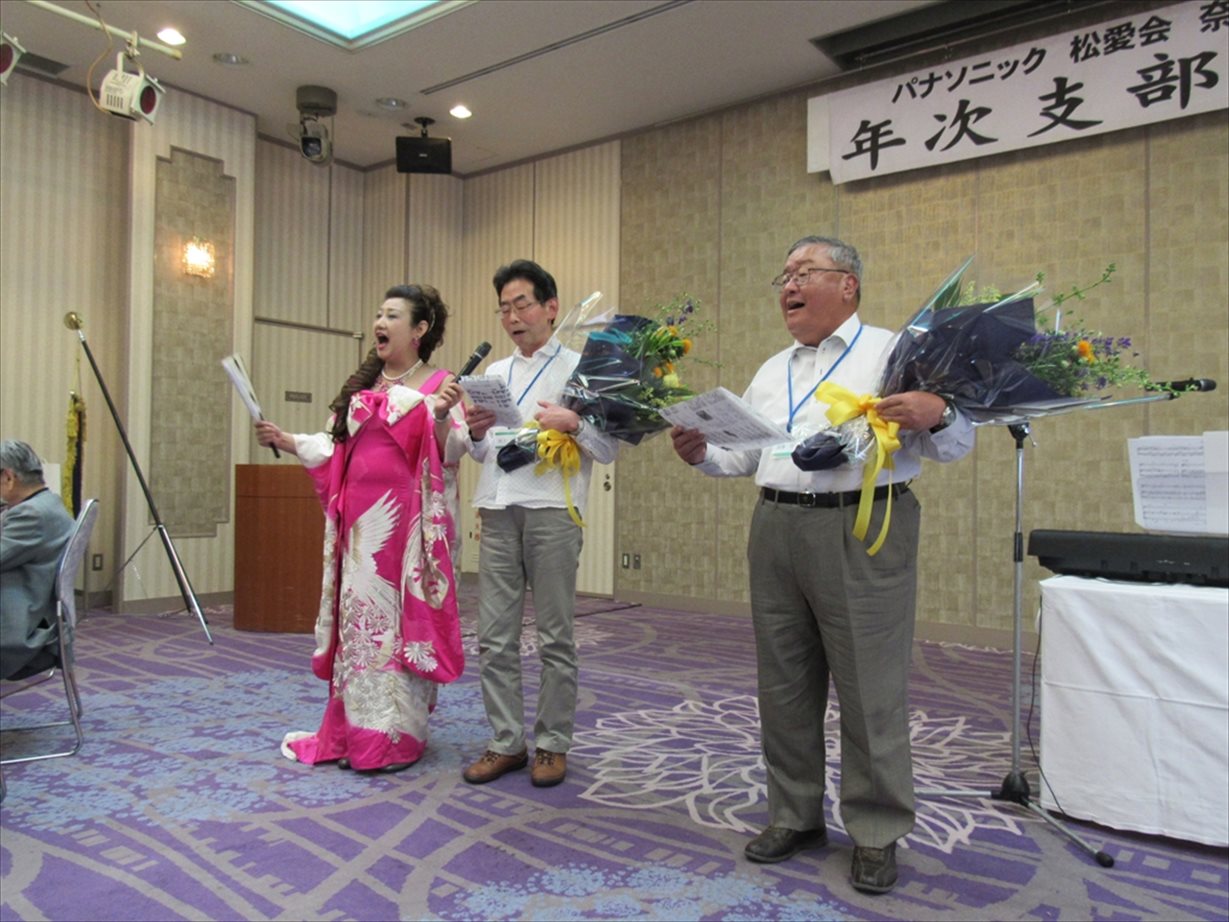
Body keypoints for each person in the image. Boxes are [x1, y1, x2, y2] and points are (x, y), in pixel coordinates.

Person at [670, 237, 975, 894]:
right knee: (782, 683)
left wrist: (941, 412)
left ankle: (876, 830)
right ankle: (794, 815)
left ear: (847, 285)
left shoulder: (894, 352)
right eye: (783, 276)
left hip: (863, 526)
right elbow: (744, 457)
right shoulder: (771, 368)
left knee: (870, 687)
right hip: (775, 525)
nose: (789, 286)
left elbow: (955, 445)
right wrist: (700, 454)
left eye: (804, 273)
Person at [256, 284, 467, 774]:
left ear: (419, 329)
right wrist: (286, 439)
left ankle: (396, 740)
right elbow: (335, 447)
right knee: (362, 630)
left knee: (401, 629)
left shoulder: (442, 383)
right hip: (361, 532)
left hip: (408, 532)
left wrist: (438, 416)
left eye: (392, 315)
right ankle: (355, 732)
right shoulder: (362, 385)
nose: (380, 322)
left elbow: (453, 450)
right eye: (378, 314)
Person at [457, 259, 618, 788]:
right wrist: (476, 433)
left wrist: (574, 423)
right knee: (494, 637)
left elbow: (607, 448)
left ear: (551, 307)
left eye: (521, 305)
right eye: (503, 308)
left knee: (555, 637)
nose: (512, 317)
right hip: (497, 508)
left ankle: (552, 744)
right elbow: (483, 452)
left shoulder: (582, 368)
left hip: (552, 510)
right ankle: (506, 742)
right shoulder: (495, 374)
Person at [1, 440, 76, 681]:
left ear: (9, 477)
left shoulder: (31, 514)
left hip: (21, 631)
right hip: (39, 616)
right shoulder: (49, 503)